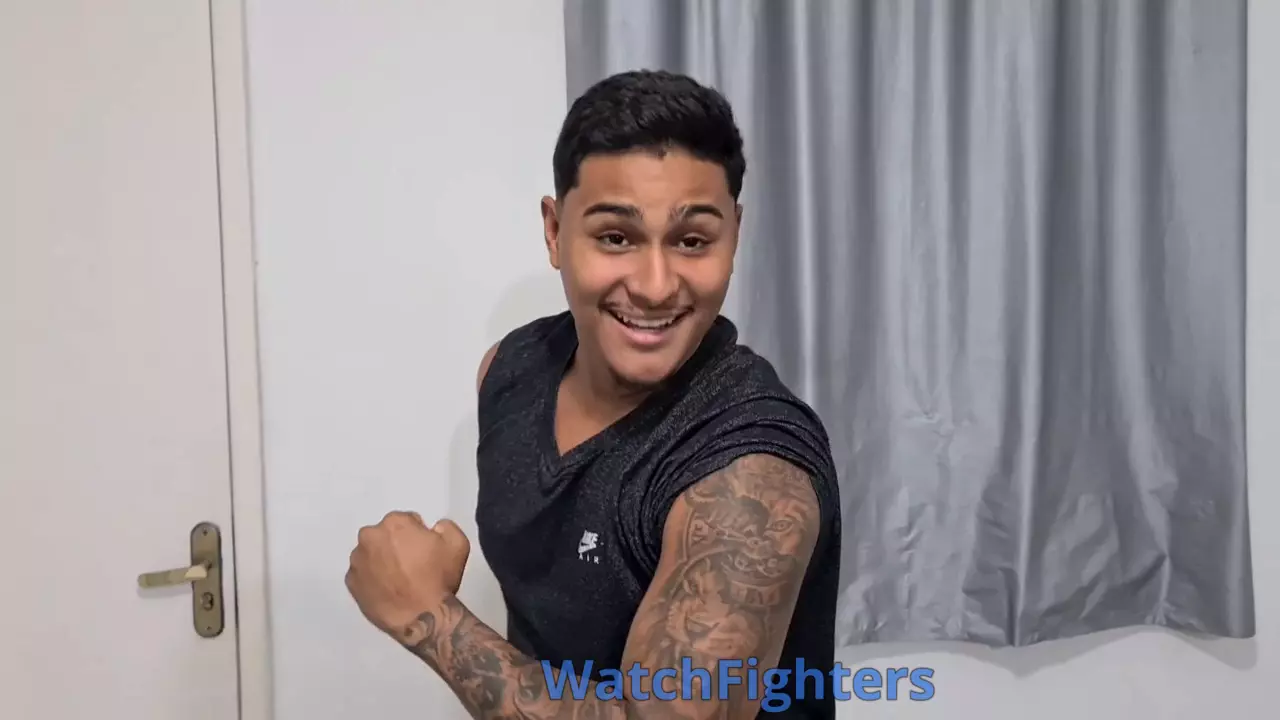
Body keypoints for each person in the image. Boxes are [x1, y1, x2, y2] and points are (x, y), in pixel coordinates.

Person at [345, 69, 842, 718]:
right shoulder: (510, 371)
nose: (656, 286)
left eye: (692, 241)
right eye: (616, 237)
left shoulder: (752, 473)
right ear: (555, 232)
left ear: (734, 236)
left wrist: (428, 615)